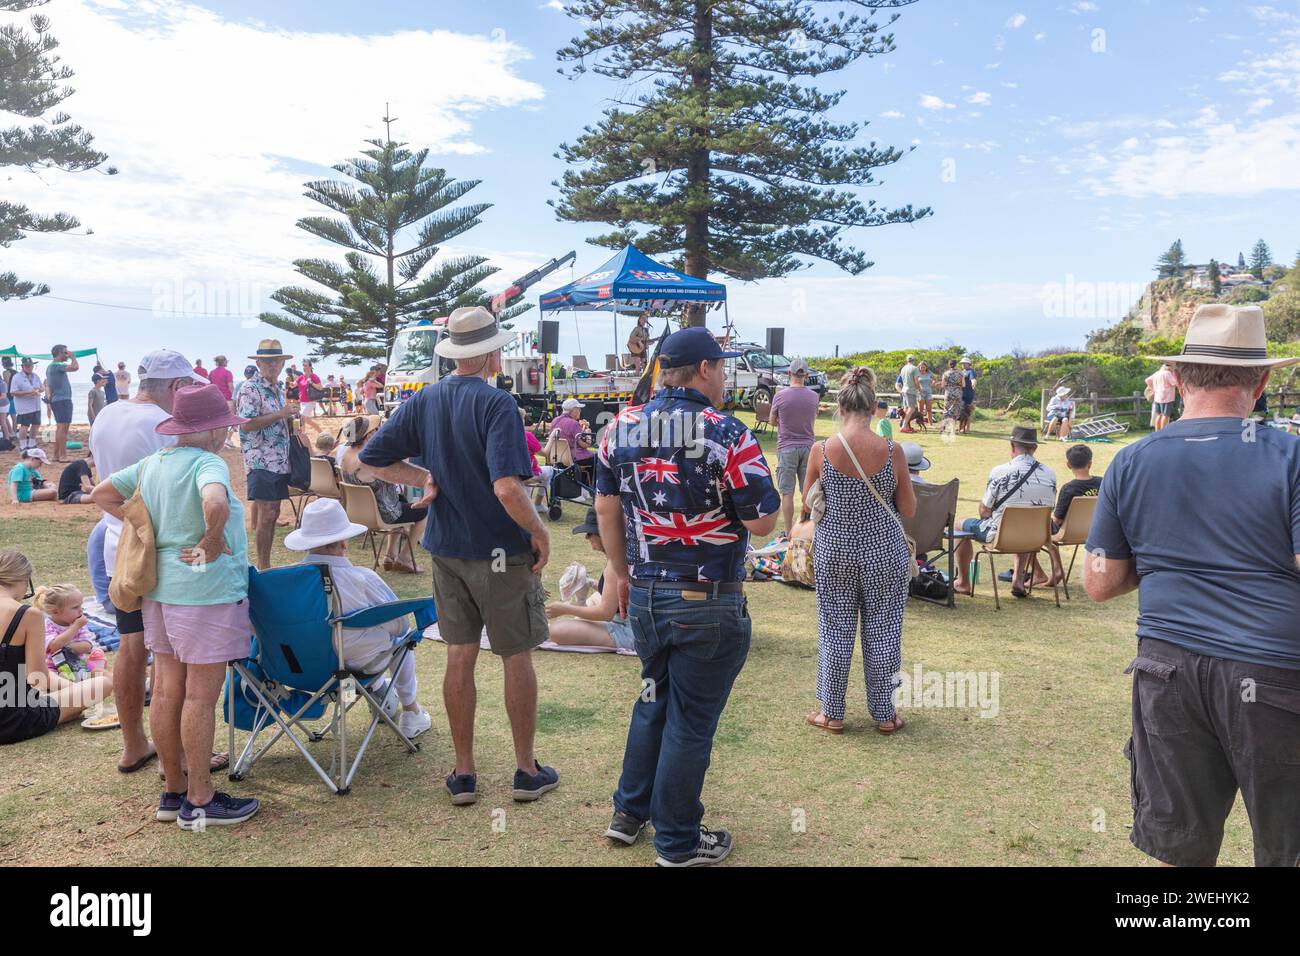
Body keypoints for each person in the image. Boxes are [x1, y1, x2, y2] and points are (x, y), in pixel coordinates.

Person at [1085, 304, 1300, 867]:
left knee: (1181, 847)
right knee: (1285, 846)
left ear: (1177, 378)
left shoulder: (1130, 461)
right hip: (1275, 674)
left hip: (1165, 668)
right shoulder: (1291, 456)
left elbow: (1100, 582)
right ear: (1263, 379)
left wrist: (1167, 561)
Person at [595, 326, 779, 866]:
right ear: (704, 369)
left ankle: (629, 813)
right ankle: (677, 841)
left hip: (647, 593)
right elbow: (764, 521)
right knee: (691, 721)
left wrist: (619, 570)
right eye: (721, 368)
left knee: (653, 698)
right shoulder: (728, 433)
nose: (724, 377)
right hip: (707, 597)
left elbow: (607, 509)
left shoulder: (618, 429)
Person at [360, 305, 558, 808]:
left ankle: (463, 772)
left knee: (459, 653)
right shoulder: (498, 405)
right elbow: (508, 487)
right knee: (515, 655)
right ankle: (525, 770)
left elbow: (370, 459)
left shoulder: (426, 398)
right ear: (492, 353)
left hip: (446, 548)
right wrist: (539, 532)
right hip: (498, 551)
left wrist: (424, 478)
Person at [91, 382, 259, 830]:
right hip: (205, 591)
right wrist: (209, 539)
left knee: (166, 691)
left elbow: (102, 494)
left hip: (160, 589)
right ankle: (201, 799)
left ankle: (174, 790)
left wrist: (147, 528)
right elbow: (215, 501)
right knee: (200, 696)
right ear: (212, 430)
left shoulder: (152, 463)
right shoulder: (208, 462)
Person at [89, 348, 195, 774]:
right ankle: (182, 755)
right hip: (154, 547)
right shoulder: (160, 423)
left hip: (117, 543)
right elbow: (174, 482)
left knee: (132, 645)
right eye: (185, 388)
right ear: (174, 386)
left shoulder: (107, 413)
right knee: (171, 653)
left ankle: (134, 743)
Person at [803, 367, 916, 736]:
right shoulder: (891, 450)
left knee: (835, 632)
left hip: (834, 550)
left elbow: (807, 502)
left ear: (840, 406)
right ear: (874, 408)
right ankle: (886, 714)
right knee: (883, 632)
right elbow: (909, 509)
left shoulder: (821, 449)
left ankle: (831, 713)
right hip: (883, 551)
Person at [284, 499, 432, 737]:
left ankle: (378, 692)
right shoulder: (362, 579)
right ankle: (410, 711)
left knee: (353, 651)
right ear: (344, 541)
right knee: (401, 639)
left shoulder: (281, 582)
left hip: (295, 671)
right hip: (351, 671)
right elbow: (399, 625)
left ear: (306, 544)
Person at [0, 550, 112, 744]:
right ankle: (73, 707)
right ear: (23, 579)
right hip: (12, 719)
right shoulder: (28, 615)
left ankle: (71, 705)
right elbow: (38, 678)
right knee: (103, 684)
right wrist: (74, 690)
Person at [953, 425, 1057, 598]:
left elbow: (985, 510)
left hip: (1002, 535)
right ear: (1035, 448)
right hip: (1035, 536)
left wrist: (987, 514)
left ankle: (964, 582)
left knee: (959, 525)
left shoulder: (1000, 471)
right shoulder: (1050, 474)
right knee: (1024, 522)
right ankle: (1018, 578)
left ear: (1012, 446)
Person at [235, 339, 301, 571]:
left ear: (283, 364)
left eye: (277, 361)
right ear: (260, 363)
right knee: (267, 513)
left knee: (272, 513)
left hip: (279, 460)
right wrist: (280, 414)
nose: (273, 366)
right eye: (268, 362)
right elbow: (246, 425)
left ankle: (265, 563)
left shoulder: (277, 387)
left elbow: (274, 419)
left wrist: (288, 418)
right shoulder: (250, 388)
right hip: (260, 459)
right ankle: (263, 566)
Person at [337, 416, 428, 573]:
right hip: (382, 514)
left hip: (358, 512)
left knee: (401, 501)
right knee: (423, 512)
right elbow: (400, 474)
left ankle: (389, 556)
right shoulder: (370, 459)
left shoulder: (345, 455)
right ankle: (405, 557)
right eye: (376, 430)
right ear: (369, 435)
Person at [544, 508, 638, 650]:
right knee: (594, 598)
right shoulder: (625, 551)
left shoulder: (616, 561)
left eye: (590, 533)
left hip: (628, 631)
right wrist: (589, 582)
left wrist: (564, 608)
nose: (587, 538)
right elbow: (617, 592)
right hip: (631, 622)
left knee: (557, 631)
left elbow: (605, 613)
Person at [769, 358, 818, 539]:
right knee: (808, 493)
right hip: (808, 447)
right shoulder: (814, 397)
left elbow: (771, 421)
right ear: (806, 375)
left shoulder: (780, 396)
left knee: (787, 492)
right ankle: (807, 529)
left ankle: (789, 531)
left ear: (789, 373)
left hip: (787, 447)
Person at [35, 583, 109, 679]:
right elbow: (53, 646)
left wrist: (65, 647)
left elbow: (87, 646)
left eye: (80, 605)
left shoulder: (78, 622)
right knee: (50, 678)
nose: (81, 610)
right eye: (75, 607)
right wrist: (75, 627)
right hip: (55, 667)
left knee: (100, 662)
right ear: (56, 611)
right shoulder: (47, 626)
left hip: (79, 664)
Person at [43, 344, 78, 463]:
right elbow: (75, 367)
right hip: (62, 400)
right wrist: (73, 357)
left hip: (58, 400)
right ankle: (63, 456)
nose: (66, 354)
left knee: (60, 428)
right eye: (65, 352)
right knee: (63, 428)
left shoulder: (50, 367)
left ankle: (56, 455)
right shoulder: (57, 366)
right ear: (58, 353)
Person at [9, 357, 43, 451]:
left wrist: (39, 389)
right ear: (22, 366)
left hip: (36, 405)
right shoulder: (17, 377)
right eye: (27, 366)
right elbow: (13, 392)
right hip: (24, 407)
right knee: (24, 426)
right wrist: (29, 392)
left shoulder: (35, 376)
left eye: (31, 365)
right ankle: (23, 445)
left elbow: (42, 387)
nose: (29, 367)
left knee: (36, 424)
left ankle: (32, 443)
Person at [1145, 361, 1177, 431]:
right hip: (1167, 397)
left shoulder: (1157, 373)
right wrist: (1174, 374)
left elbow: (1147, 380)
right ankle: (1163, 431)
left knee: (1159, 414)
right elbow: (1174, 383)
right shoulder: (1168, 373)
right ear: (1170, 367)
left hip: (1157, 396)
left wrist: (1152, 388)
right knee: (1165, 415)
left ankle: (1157, 431)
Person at [898, 354, 920, 433]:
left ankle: (906, 426)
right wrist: (919, 389)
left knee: (906, 409)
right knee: (912, 409)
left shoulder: (903, 369)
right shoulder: (915, 368)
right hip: (911, 391)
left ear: (907, 360)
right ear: (913, 360)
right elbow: (916, 381)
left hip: (904, 390)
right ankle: (904, 426)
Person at [940, 359, 964, 429]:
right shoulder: (961, 373)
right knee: (955, 410)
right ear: (956, 364)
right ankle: (953, 427)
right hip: (957, 392)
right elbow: (963, 385)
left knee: (946, 409)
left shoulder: (945, 373)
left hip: (948, 392)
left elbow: (942, 385)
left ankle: (943, 426)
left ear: (949, 364)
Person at [959, 357, 978, 433]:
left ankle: (967, 428)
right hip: (961, 394)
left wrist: (973, 383)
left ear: (968, 364)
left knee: (967, 412)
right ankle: (962, 427)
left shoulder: (971, 371)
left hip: (968, 394)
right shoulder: (962, 371)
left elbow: (973, 379)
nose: (963, 364)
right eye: (962, 363)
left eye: (964, 363)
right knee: (962, 411)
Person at [917, 360, 934, 426]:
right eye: (921, 367)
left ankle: (930, 424)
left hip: (928, 392)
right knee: (920, 410)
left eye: (924, 367)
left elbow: (935, 379)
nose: (923, 368)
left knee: (929, 409)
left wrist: (932, 384)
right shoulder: (917, 374)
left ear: (926, 367)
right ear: (919, 367)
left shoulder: (929, 373)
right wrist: (918, 388)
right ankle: (921, 424)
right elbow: (915, 382)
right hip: (920, 393)